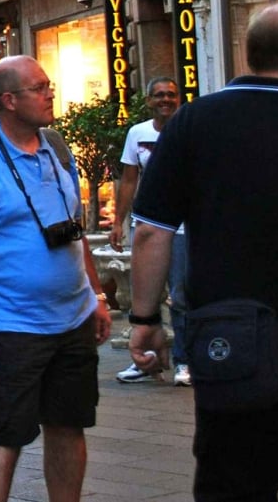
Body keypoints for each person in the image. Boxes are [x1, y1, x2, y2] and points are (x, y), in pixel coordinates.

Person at [128, 0, 278, 501]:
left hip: (232, 344)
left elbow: (151, 231)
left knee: (232, 484)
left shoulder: (195, 122)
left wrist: (145, 319)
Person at [0, 57, 112, 502]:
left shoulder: (56, 148)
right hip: (12, 325)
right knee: (6, 435)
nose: (50, 93)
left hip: (73, 319)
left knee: (69, 426)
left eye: (48, 85)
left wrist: (96, 295)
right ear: (9, 100)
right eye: (39, 88)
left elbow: (73, 229)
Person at [107, 77, 186, 386]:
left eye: (171, 94)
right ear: (149, 100)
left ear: (178, 98)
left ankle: (183, 361)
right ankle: (146, 360)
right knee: (144, 295)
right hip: (146, 223)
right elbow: (129, 180)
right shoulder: (137, 133)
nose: (165, 99)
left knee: (180, 294)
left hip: (182, 227)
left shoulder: (189, 129)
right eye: (159, 95)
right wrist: (118, 221)